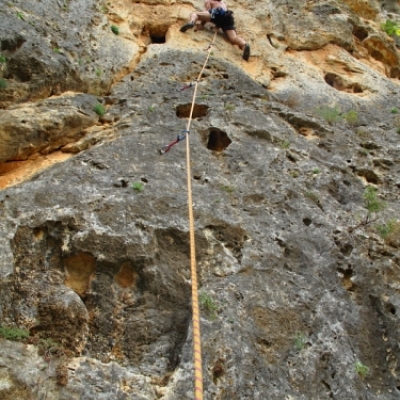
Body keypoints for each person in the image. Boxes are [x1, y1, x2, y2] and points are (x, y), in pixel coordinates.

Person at [180, 0, 250, 61]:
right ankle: (244, 45)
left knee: (195, 14)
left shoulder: (209, 1)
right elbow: (223, 16)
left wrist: (202, 25)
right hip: (228, 17)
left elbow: (208, 12)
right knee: (233, 38)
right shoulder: (223, 3)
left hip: (217, 13)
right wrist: (218, 25)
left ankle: (191, 22)